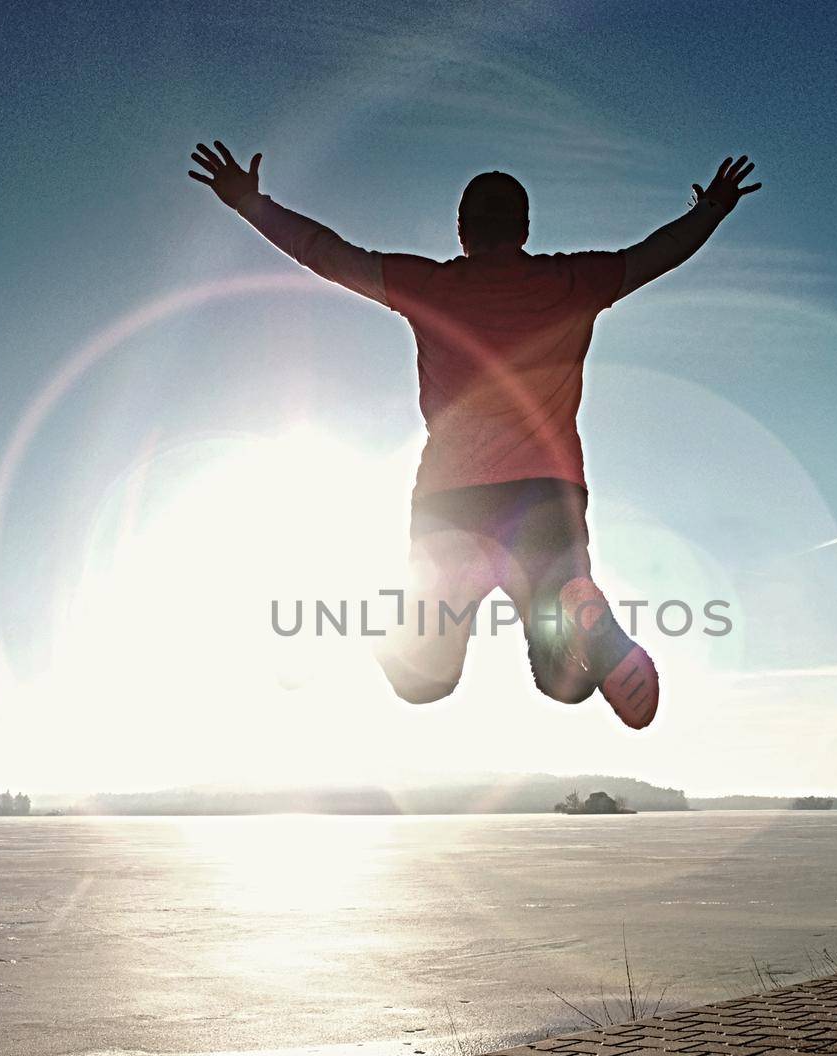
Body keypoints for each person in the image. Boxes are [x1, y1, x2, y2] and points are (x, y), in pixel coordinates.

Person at [189, 142, 760, 729]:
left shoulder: (430, 286)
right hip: (547, 497)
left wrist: (250, 204)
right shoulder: (576, 280)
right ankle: (569, 593)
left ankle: (383, 625)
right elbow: (656, 254)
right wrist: (712, 208)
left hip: (451, 499)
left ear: (462, 231)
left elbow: (328, 255)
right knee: (564, 683)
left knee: (423, 681)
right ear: (524, 227)